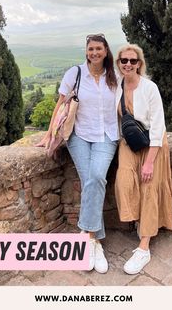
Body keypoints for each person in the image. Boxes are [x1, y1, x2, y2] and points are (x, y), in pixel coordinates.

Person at [37, 34, 118, 273]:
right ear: (86, 51)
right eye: (91, 48)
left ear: (105, 51)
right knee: (90, 181)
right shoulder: (75, 73)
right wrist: (49, 134)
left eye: (99, 49)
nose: (94, 52)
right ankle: (95, 242)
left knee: (95, 177)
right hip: (79, 135)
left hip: (107, 135)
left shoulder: (115, 76)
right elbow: (61, 105)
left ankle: (90, 237)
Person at [115, 43, 172, 275]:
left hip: (153, 143)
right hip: (130, 142)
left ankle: (144, 247)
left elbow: (158, 126)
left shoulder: (150, 88)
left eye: (132, 60)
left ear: (139, 63)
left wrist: (150, 161)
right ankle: (139, 220)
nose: (128, 64)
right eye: (124, 60)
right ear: (119, 63)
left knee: (149, 187)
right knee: (124, 181)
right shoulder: (117, 88)